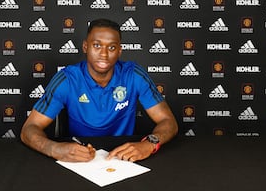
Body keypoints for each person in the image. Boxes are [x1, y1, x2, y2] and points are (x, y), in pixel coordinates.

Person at [20, 18, 178, 163]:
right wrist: (56, 149)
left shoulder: (133, 75)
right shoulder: (67, 80)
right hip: (80, 159)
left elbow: (168, 122)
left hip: (124, 159)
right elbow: (29, 129)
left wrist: (149, 144)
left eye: (111, 47)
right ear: (85, 46)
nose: (104, 54)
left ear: (119, 51)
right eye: (97, 45)